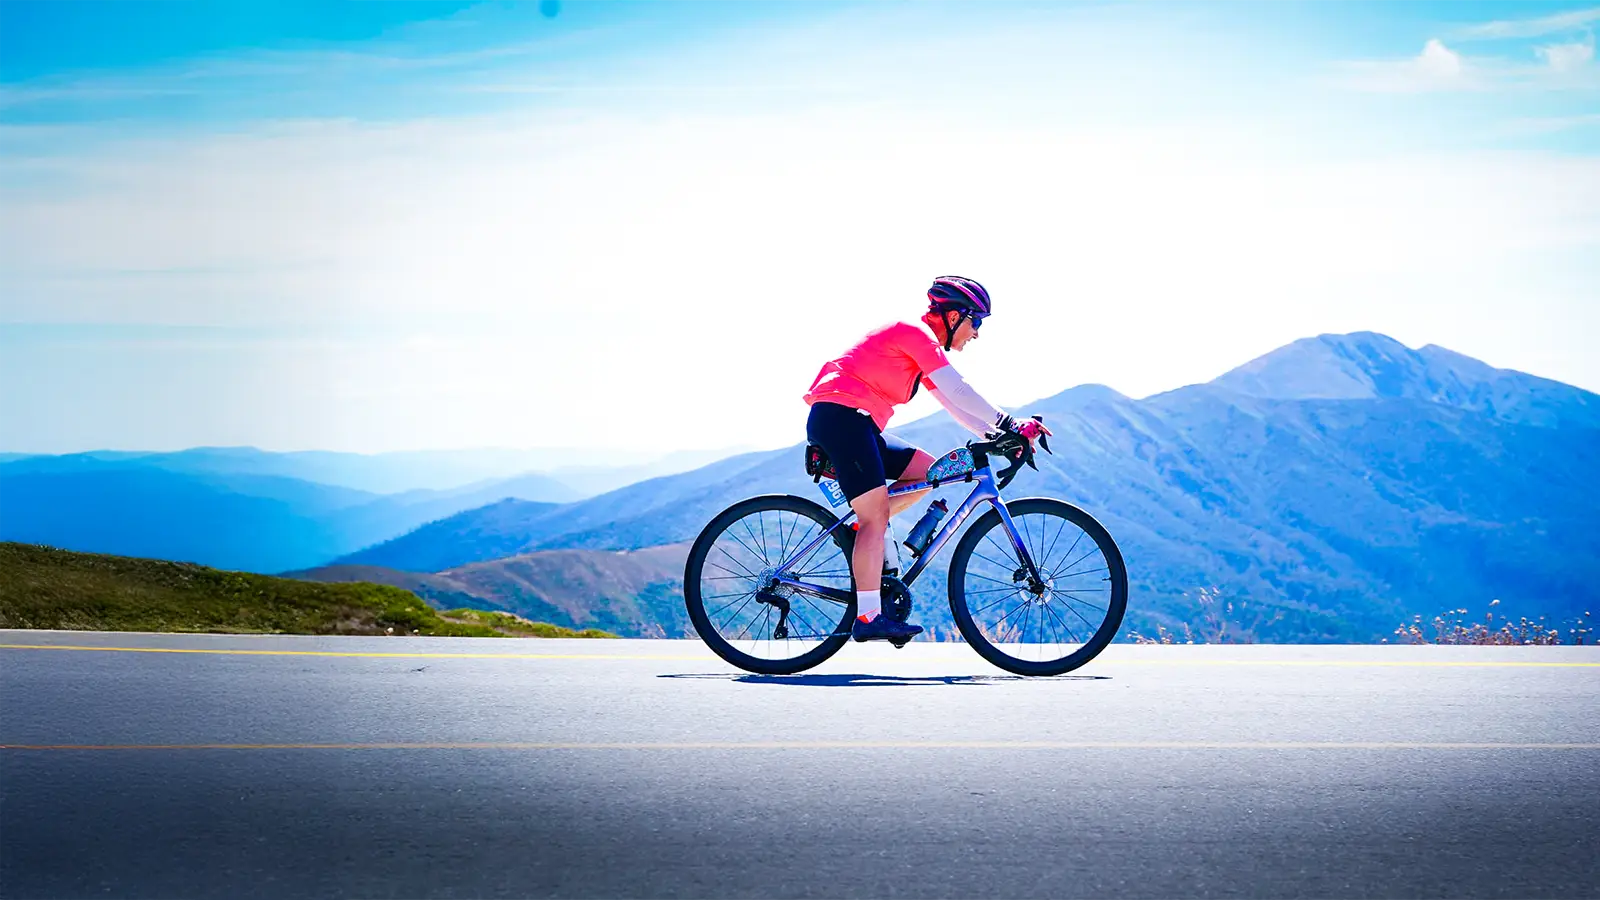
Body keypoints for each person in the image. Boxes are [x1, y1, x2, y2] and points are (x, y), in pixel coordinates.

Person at [801, 276, 1051, 642]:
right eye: (976, 322)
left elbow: (954, 405)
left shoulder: (919, 352)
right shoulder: (913, 335)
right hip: (843, 419)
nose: (976, 333)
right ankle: (868, 616)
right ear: (953, 316)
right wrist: (1010, 423)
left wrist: (997, 437)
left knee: (928, 471)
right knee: (875, 517)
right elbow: (958, 389)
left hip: (856, 423)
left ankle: (861, 532)